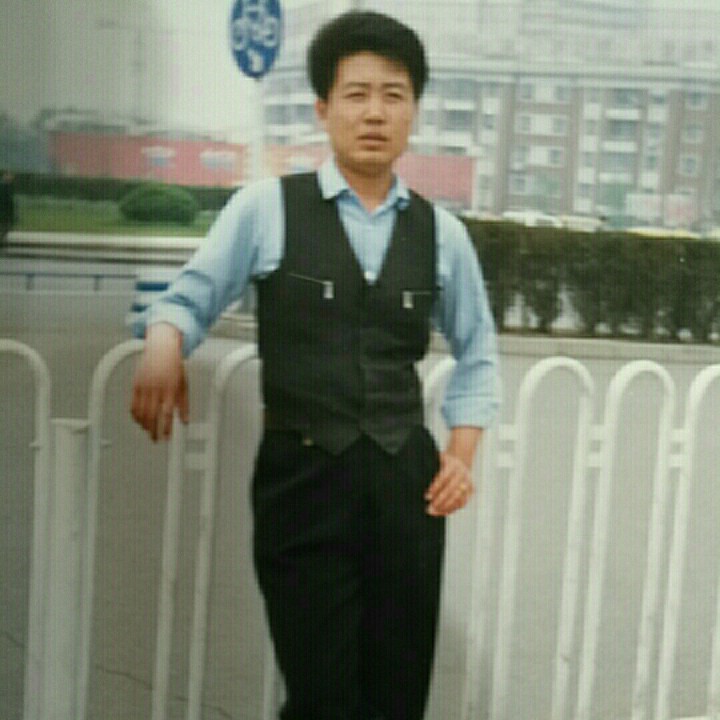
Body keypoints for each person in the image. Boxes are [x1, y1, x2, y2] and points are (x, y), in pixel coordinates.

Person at [131, 10, 500, 720]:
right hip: (301, 479)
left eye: (393, 95)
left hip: (405, 484)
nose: (375, 112)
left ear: (414, 111)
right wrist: (163, 345)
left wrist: (460, 452)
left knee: (395, 697)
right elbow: (187, 298)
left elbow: (478, 351)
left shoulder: (442, 234)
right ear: (323, 109)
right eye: (356, 94)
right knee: (322, 695)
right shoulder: (266, 209)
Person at [0, 170, 16, 249]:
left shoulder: (6, 186)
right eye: (10, 175)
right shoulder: (4, 186)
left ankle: (2, 241)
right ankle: (2, 242)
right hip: (4, 212)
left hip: (5, 212)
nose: (12, 178)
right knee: (4, 227)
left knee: (5, 228)